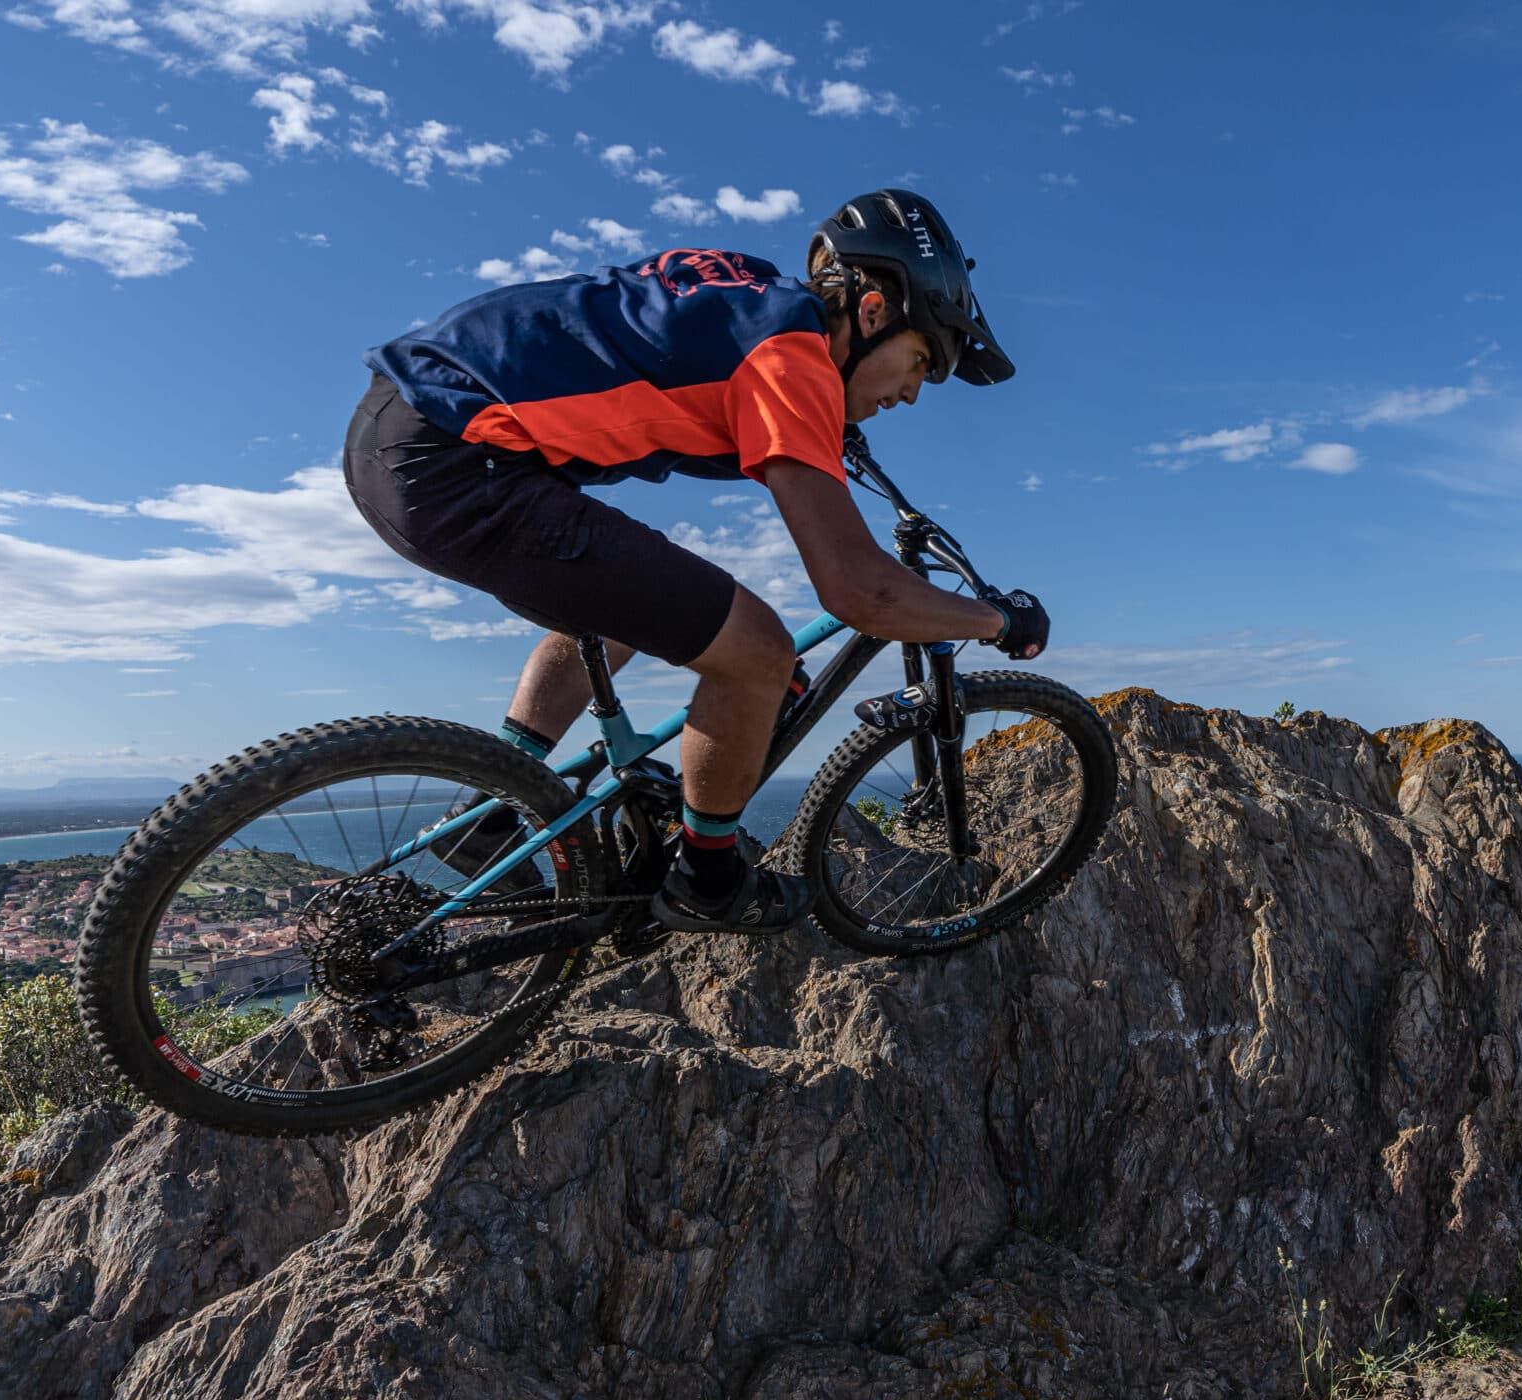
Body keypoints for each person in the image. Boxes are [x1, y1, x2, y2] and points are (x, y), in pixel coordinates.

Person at [344, 188, 1050, 935]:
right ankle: (706, 880)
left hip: (403, 429)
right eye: (920, 362)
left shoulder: (758, 298)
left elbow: (673, 345)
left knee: (628, 599)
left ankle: (486, 815)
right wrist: (997, 619)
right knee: (759, 652)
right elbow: (857, 590)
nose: (911, 393)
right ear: (872, 310)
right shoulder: (792, 360)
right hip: (456, 462)